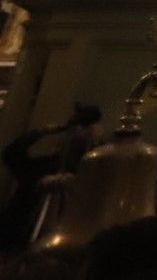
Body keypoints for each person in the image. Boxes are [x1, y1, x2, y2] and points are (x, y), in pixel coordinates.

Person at [0, 104, 102, 249]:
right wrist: (44, 131)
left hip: (57, 246)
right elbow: (11, 154)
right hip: (14, 242)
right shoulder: (44, 166)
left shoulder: (91, 173)